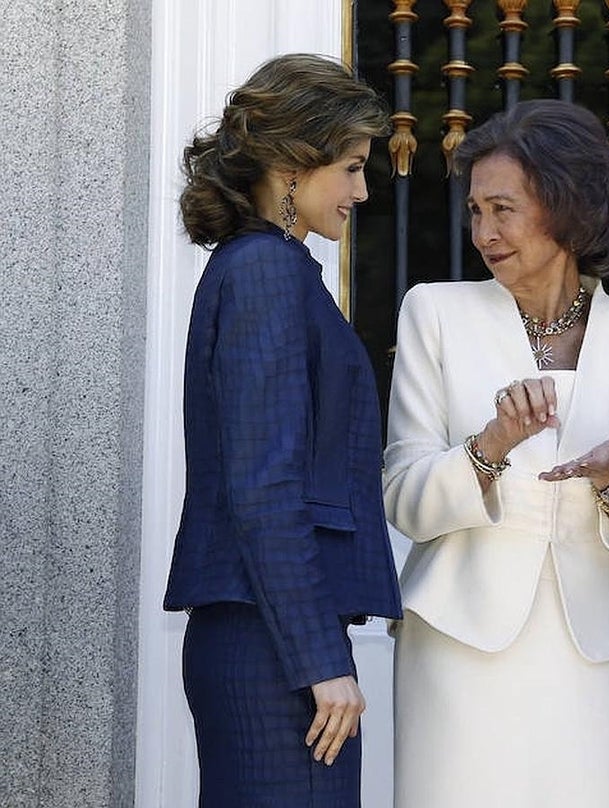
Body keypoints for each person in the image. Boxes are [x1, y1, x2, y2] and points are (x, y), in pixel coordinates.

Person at [383, 99, 609, 808]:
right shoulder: (435, 313)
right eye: (476, 211)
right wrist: (489, 448)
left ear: (568, 205)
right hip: (460, 651)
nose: (484, 232)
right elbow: (401, 498)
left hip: (600, 661)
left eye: (504, 209)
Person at [162, 53, 402, 807]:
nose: (363, 191)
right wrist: (318, 659)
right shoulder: (265, 270)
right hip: (273, 650)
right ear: (294, 162)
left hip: (270, 641)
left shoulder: (275, 267)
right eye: (353, 167)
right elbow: (264, 485)